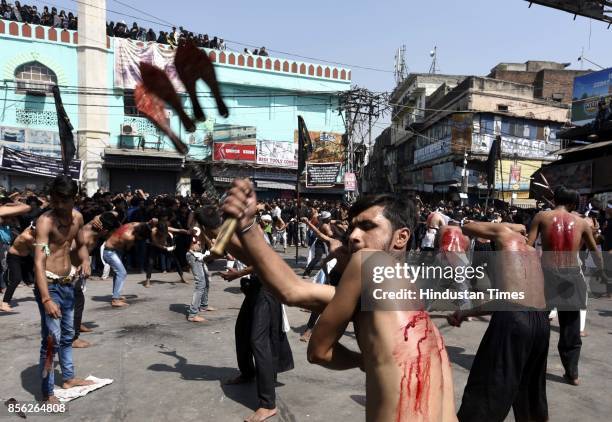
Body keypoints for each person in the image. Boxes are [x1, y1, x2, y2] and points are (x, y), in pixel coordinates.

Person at [221, 180, 456, 422]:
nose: (353, 236)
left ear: (401, 237)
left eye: (367, 226)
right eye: (351, 228)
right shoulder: (414, 306)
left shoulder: (369, 263)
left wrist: (248, 225)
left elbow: (318, 350)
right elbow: (293, 289)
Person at [194, 205, 294, 422]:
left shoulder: (234, 236)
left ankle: (268, 404)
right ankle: (248, 372)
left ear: (202, 226)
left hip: (269, 284)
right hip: (258, 283)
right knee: (242, 330)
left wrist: (237, 273)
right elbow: (215, 253)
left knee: (258, 340)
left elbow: (264, 260)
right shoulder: (223, 234)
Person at [448, 221, 549, 422]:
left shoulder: (504, 234)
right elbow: (510, 301)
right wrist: (466, 312)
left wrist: (507, 224)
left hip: (514, 321)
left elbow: (467, 226)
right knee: (530, 390)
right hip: (540, 322)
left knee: (488, 389)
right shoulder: (533, 254)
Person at [527, 186, 605, 386]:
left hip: (546, 275)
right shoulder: (582, 223)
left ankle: (534, 368)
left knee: (539, 322)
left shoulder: (541, 217)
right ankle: (572, 373)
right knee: (570, 327)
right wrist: (602, 271)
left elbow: (528, 246)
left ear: (555, 199)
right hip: (571, 276)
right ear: (573, 204)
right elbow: (596, 253)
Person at [33, 175, 94, 404]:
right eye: (54, 200)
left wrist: (85, 260)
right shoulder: (45, 221)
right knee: (51, 340)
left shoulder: (78, 217)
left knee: (67, 336)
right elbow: (39, 261)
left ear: (73, 199)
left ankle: (68, 378)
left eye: (63, 201)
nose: (57, 205)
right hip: (49, 286)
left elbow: (81, 245)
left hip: (69, 284)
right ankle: (47, 392)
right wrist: (46, 298)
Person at [71, 212, 120, 348]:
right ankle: (73, 338)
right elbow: (62, 251)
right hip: (69, 273)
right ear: (105, 230)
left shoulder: (92, 226)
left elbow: (114, 212)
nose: (112, 236)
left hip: (78, 272)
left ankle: (76, 324)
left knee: (77, 302)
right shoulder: (85, 236)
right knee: (76, 302)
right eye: (111, 232)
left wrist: (97, 216)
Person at [102, 220, 158, 307]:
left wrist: (150, 223)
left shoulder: (133, 224)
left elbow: (145, 224)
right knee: (122, 273)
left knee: (118, 274)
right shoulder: (129, 237)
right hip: (109, 252)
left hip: (112, 250)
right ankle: (115, 300)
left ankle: (116, 295)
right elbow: (128, 248)